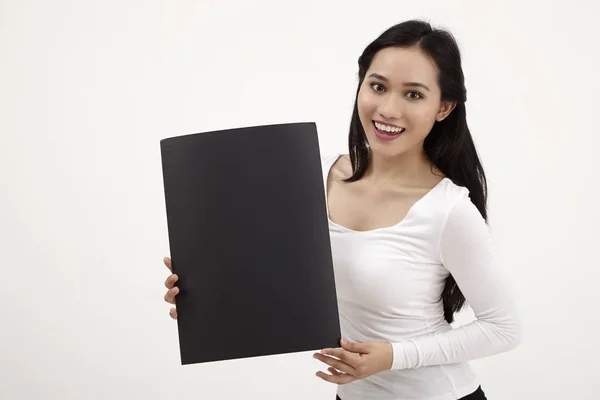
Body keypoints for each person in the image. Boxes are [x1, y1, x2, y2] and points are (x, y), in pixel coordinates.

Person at [162, 19, 522, 400]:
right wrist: (203, 296)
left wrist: (393, 356)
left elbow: (504, 328)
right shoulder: (310, 176)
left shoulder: (448, 208)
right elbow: (266, 267)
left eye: (413, 95)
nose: (388, 109)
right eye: (378, 86)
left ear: (444, 108)